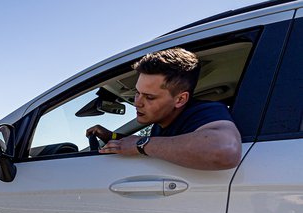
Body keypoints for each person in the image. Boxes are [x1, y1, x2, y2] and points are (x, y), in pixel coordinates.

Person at [86, 47, 241, 170]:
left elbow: (225, 150)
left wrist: (141, 144)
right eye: (137, 93)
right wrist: (110, 136)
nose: (137, 103)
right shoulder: (160, 126)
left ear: (180, 99)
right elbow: (136, 144)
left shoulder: (206, 111)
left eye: (149, 97)